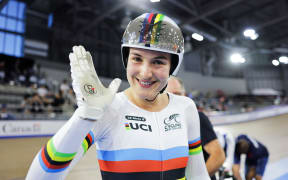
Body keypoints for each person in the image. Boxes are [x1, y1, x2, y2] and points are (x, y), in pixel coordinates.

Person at [26, 13, 210, 180]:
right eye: (137, 58)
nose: (145, 73)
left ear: (173, 66)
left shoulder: (185, 107)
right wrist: (85, 116)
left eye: (158, 62)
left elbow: (199, 176)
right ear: (126, 60)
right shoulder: (107, 109)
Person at [166, 76, 225, 180]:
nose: (174, 98)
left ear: (184, 95)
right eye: (169, 94)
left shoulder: (196, 117)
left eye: (177, 94)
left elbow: (218, 156)